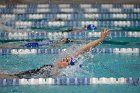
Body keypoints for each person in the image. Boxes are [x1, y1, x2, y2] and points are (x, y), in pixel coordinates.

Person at [0, 29, 109, 79]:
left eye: (66, 61)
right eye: (66, 59)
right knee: (10, 74)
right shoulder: (55, 66)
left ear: (68, 67)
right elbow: (82, 49)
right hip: (39, 71)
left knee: (11, 76)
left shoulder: (60, 74)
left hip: (38, 76)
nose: (64, 59)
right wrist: (100, 39)